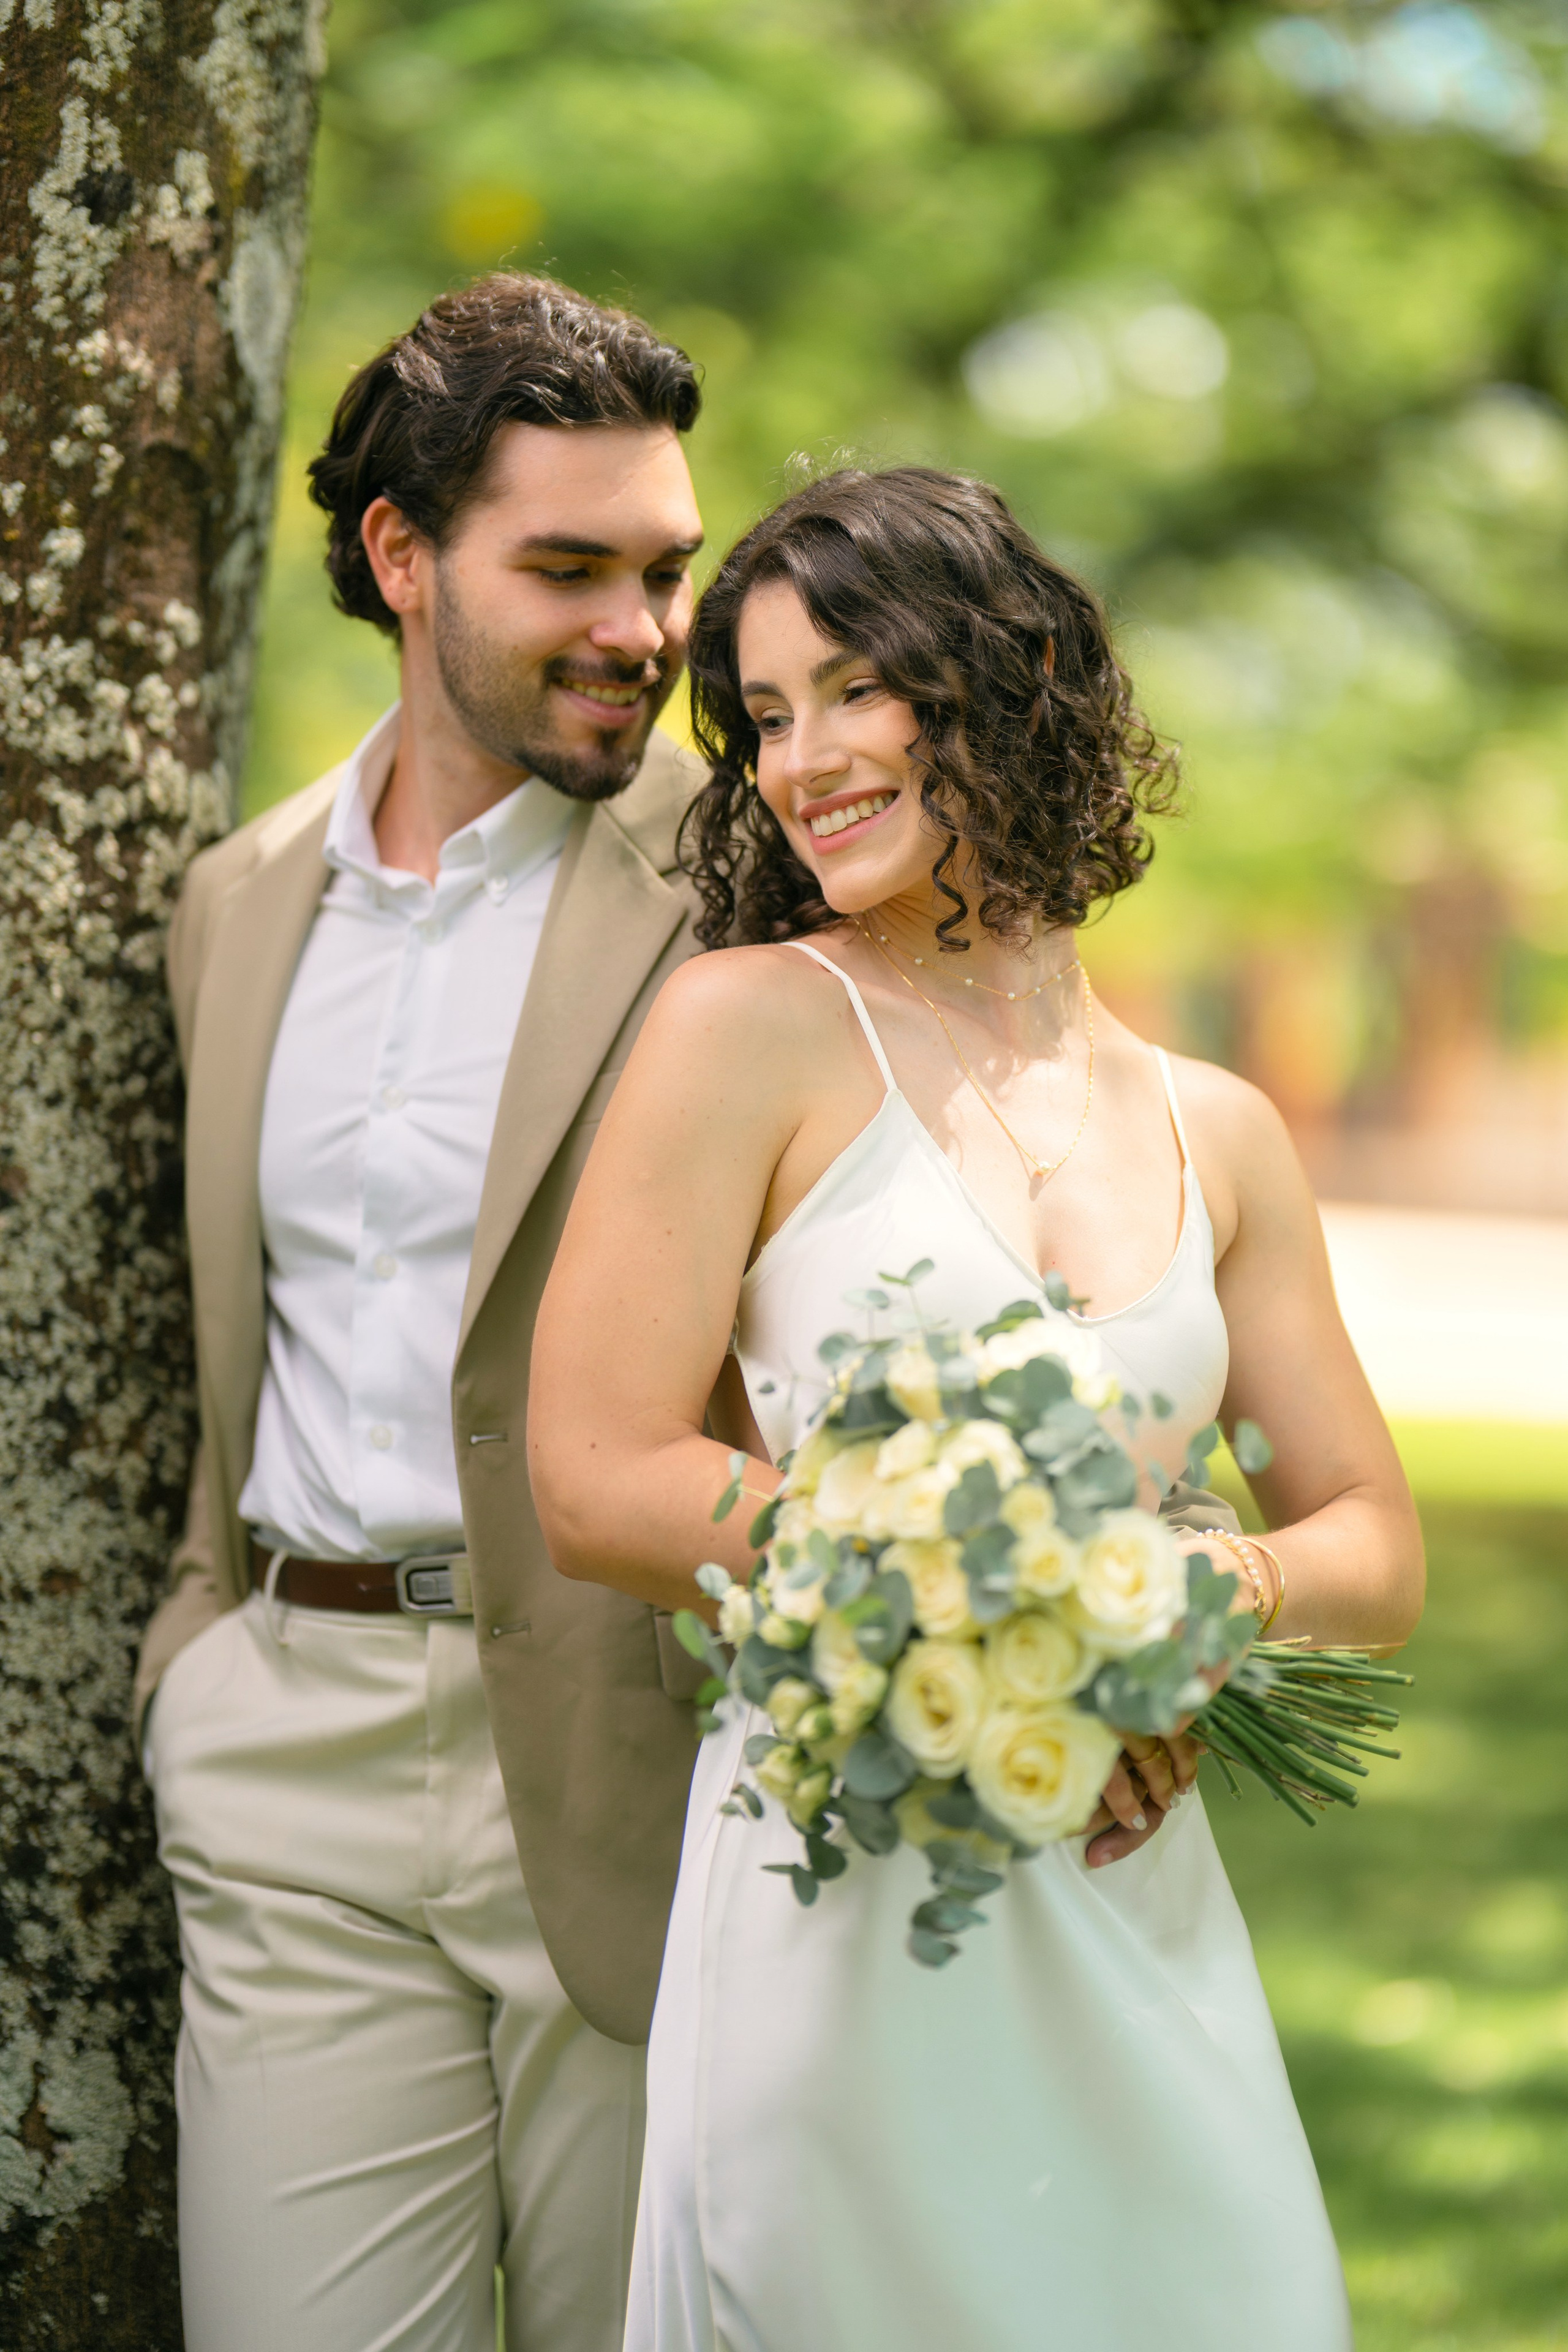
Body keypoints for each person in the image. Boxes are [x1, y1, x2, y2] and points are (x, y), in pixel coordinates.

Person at [529, 466, 1425, 2351]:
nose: (800, 759)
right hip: (846, 1916)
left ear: (1006, 676)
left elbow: (1370, 1537)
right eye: (764, 715)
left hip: (1127, 1884)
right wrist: (987, 1602)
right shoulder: (747, 1029)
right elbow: (598, 1478)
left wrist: (1185, 1607)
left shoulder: (1220, 1125)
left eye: (854, 688)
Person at [135, 273, 714, 2352]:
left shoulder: (746, 886)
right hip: (296, 1756)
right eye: (566, 567)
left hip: (644, 1761)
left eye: (663, 568)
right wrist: (203, 1651)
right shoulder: (236, 901)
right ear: (401, 558)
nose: (640, 630)